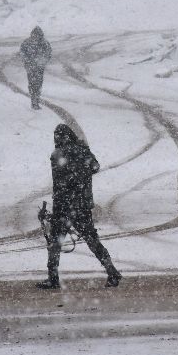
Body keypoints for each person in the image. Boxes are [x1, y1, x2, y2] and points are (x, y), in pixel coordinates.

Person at [37, 124, 122, 289]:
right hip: (82, 205)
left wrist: (57, 209)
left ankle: (53, 278)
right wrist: (83, 157)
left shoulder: (58, 155)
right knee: (92, 240)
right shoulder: (83, 151)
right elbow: (95, 167)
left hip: (64, 206)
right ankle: (111, 271)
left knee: (55, 243)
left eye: (57, 136)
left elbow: (59, 184)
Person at [19, 26, 52, 110]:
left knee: (36, 83)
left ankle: (35, 98)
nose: (36, 37)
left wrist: (39, 62)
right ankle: (34, 99)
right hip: (33, 67)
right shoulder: (41, 43)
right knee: (35, 83)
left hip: (35, 67)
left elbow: (48, 54)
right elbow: (22, 54)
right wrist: (37, 62)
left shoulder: (42, 43)